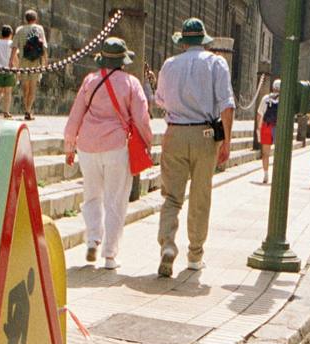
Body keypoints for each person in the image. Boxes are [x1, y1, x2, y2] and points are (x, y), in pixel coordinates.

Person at [152, 17, 235, 277]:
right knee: (200, 195)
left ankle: (167, 244)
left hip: (175, 133)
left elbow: (161, 100)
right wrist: (227, 141)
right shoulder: (216, 63)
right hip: (205, 134)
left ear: (183, 42)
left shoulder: (169, 65)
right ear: (203, 39)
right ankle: (195, 255)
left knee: (172, 196)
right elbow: (227, 105)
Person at [63, 38, 153, 270]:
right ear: (123, 60)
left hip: (88, 146)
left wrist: (69, 145)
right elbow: (142, 118)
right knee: (115, 200)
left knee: (91, 195)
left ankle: (93, 239)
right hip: (116, 146)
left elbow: (75, 115)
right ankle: (110, 255)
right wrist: (148, 142)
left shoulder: (90, 81)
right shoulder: (131, 83)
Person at [12, 9, 48, 120]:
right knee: (33, 87)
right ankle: (28, 110)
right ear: (35, 18)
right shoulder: (39, 28)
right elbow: (44, 47)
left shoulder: (19, 29)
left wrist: (11, 61)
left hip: (23, 61)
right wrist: (45, 61)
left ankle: (26, 109)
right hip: (35, 61)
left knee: (25, 88)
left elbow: (14, 47)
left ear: (25, 19)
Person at [256, 79, 281, 185]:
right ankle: (278, 175)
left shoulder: (266, 98)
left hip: (266, 127)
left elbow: (260, 114)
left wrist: (258, 127)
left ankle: (266, 175)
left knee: (265, 153)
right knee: (279, 153)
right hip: (278, 128)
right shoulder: (283, 100)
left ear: (273, 87)